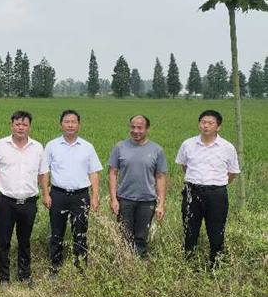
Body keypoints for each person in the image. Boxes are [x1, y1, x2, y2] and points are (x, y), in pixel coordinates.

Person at [0, 110, 49, 286]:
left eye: (24, 124)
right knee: (3, 240)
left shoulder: (37, 147)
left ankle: (24, 275)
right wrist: (2, 185)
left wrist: (39, 190)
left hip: (29, 202)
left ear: (29, 127)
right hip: (6, 201)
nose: (21, 127)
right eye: (17, 124)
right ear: (11, 125)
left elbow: (42, 173)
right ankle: (4, 277)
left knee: (25, 241)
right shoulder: (0, 145)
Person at [175, 110, 240, 267]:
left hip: (216, 194)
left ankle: (216, 265)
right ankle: (189, 263)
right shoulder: (188, 144)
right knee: (190, 230)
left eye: (210, 123)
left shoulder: (227, 147)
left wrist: (215, 185)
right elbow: (185, 166)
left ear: (218, 126)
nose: (206, 126)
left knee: (216, 231)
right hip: (192, 192)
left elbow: (232, 173)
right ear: (199, 124)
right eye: (203, 122)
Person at [44, 109, 102, 273]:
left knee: (81, 232)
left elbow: (93, 172)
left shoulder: (87, 147)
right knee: (57, 232)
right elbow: (44, 171)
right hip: (58, 194)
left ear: (79, 125)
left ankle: (80, 267)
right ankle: (55, 266)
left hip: (80, 196)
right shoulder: (52, 146)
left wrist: (95, 196)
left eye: (73, 122)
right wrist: (45, 193)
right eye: (67, 122)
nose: (70, 125)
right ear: (61, 124)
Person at [108, 115, 166, 258]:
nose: (135, 131)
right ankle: (125, 261)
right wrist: (113, 199)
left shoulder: (157, 150)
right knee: (124, 234)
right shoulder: (120, 147)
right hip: (125, 199)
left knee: (141, 235)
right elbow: (113, 173)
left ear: (147, 129)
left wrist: (161, 204)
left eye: (140, 127)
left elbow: (160, 177)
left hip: (147, 200)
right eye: (133, 127)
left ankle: (140, 260)